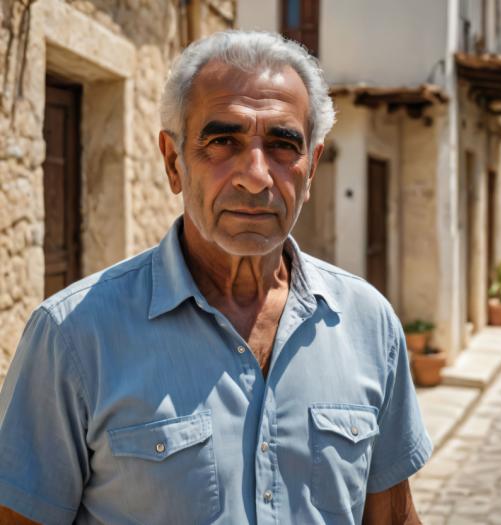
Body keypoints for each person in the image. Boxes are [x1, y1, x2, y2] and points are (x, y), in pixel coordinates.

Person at [0, 31, 432, 524]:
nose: (255, 174)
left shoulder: (368, 324)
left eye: (282, 144)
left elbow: (394, 517)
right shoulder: (73, 337)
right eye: (222, 141)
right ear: (173, 162)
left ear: (311, 168)